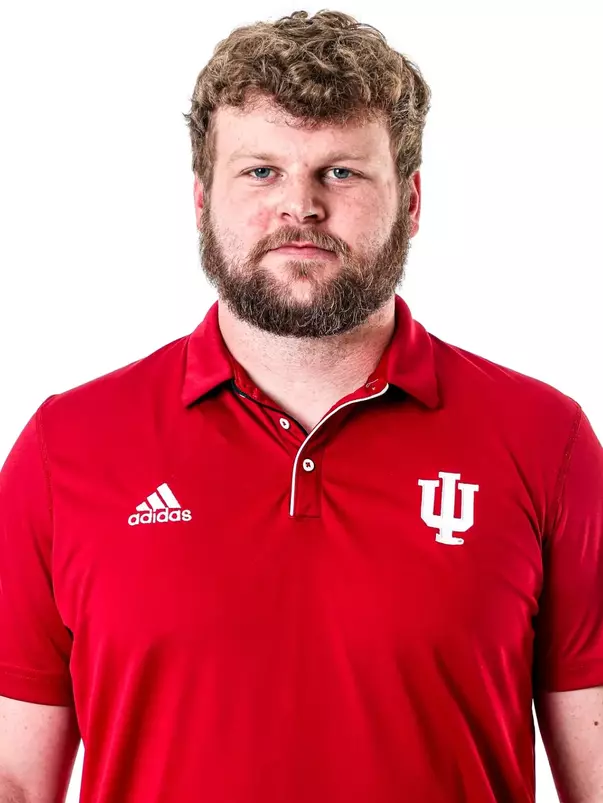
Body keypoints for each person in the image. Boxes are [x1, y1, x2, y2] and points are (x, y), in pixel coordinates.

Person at [0, 8, 601, 803]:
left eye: (340, 172)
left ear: (412, 200)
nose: (301, 207)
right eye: (261, 172)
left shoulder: (543, 439)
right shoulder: (64, 448)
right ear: (200, 199)